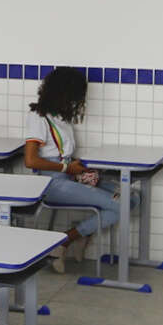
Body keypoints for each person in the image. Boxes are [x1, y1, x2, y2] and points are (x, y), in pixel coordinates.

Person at [20, 66, 120, 272]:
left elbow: (63, 154)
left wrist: (81, 167)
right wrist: (67, 167)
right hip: (51, 183)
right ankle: (65, 241)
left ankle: (74, 237)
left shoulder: (61, 117)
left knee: (131, 197)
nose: (78, 101)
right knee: (119, 206)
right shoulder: (39, 117)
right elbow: (30, 160)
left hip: (69, 175)